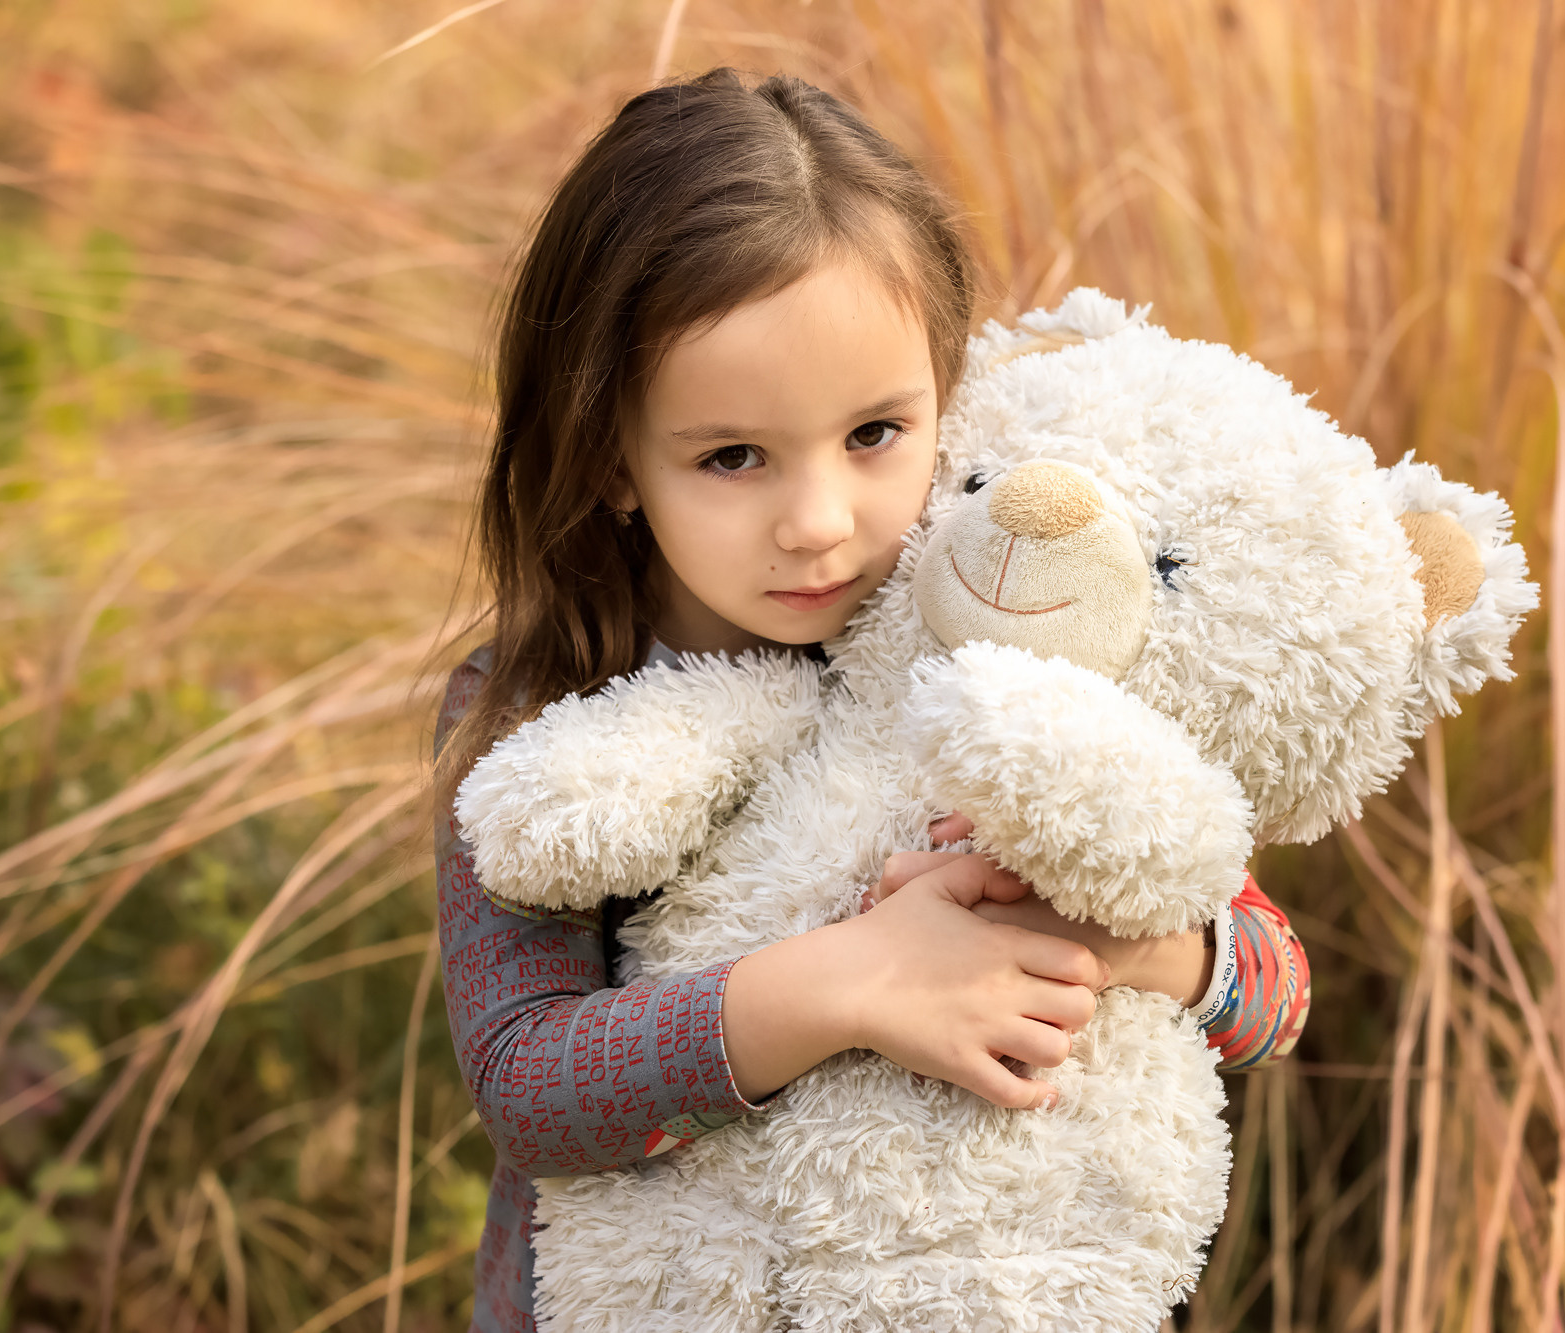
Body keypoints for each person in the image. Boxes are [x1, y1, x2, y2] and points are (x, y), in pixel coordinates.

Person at [431, 68, 1310, 1332]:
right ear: (614, 456)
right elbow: (529, 1088)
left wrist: (1136, 946)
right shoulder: (546, 706)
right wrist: (851, 980)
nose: (820, 523)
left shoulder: (1023, 639)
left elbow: (1273, 989)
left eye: (875, 434)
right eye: (731, 456)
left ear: (943, 393)